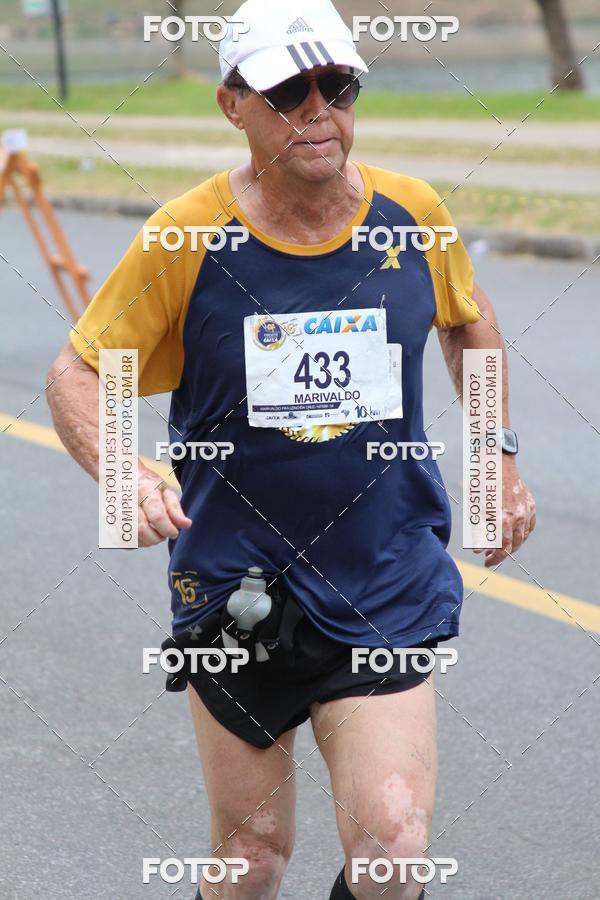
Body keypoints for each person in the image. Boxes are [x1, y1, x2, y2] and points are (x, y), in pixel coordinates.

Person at [47, 1, 536, 897]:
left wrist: (495, 457)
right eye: (288, 89)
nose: (319, 109)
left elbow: (469, 323)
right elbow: (80, 374)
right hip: (239, 585)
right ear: (233, 104)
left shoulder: (411, 215)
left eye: (338, 85)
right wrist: (123, 470)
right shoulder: (185, 236)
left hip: (384, 567)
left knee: (393, 849)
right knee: (250, 858)